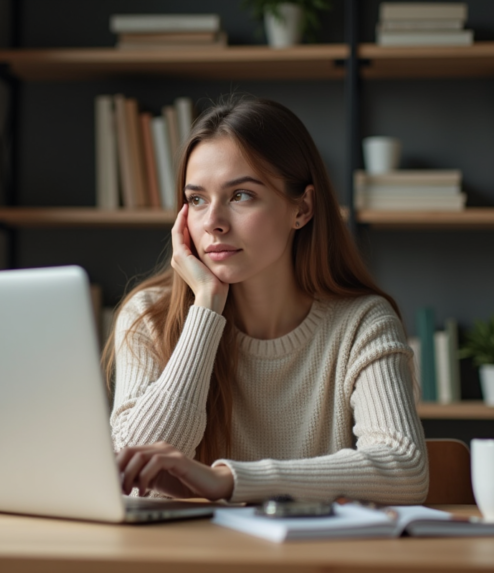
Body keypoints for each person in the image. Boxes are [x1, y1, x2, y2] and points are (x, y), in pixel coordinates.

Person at [105, 97, 428, 505]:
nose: (213, 222)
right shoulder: (148, 316)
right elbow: (138, 475)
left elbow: (404, 469)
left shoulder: (362, 322)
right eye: (197, 199)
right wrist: (205, 309)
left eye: (241, 195)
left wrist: (227, 480)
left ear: (303, 208)